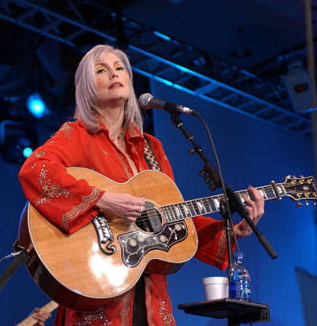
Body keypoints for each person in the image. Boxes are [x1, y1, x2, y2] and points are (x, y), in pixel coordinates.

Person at [18, 44, 265, 325]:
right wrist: (100, 198)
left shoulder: (150, 148)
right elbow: (36, 169)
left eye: (119, 68)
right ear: (87, 86)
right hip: (98, 292)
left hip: (151, 299)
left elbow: (173, 216)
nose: (114, 74)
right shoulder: (77, 135)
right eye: (101, 70)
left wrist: (231, 231)